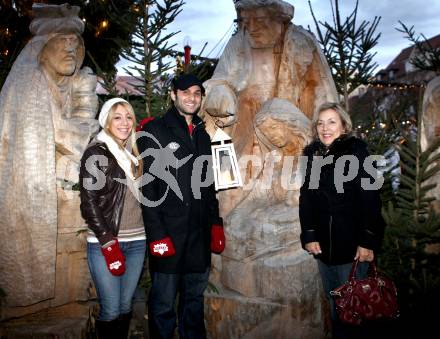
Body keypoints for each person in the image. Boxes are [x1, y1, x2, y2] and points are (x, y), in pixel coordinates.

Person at [0, 3, 98, 306]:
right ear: (42, 48)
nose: (70, 49)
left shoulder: (61, 84)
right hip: (37, 192)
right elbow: (67, 137)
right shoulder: (30, 84)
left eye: (75, 44)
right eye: (62, 42)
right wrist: (85, 113)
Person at [138, 73, 225, 339]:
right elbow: (148, 188)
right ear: (173, 94)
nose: (192, 98)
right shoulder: (155, 130)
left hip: (198, 236)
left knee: (193, 302)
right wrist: (157, 236)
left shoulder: (202, 136)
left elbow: (208, 186)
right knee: (163, 304)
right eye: (185, 92)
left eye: (197, 93)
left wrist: (216, 224)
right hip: (168, 234)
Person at [299, 102, 385, 339]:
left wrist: (368, 241)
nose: (325, 128)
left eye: (332, 122)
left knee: (354, 309)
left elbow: (371, 199)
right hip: (323, 250)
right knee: (335, 306)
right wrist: (309, 233)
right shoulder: (314, 155)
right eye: (320, 123)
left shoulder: (356, 152)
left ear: (344, 126)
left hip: (352, 249)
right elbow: (306, 199)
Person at [79, 98, 145, 338]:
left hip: (138, 241)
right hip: (106, 242)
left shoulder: (134, 154)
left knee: (126, 306)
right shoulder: (96, 152)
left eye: (129, 117)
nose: (125, 123)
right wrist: (107, 239)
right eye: (117, 117)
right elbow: (89, 203)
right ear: (106, 121)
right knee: (112, 308)